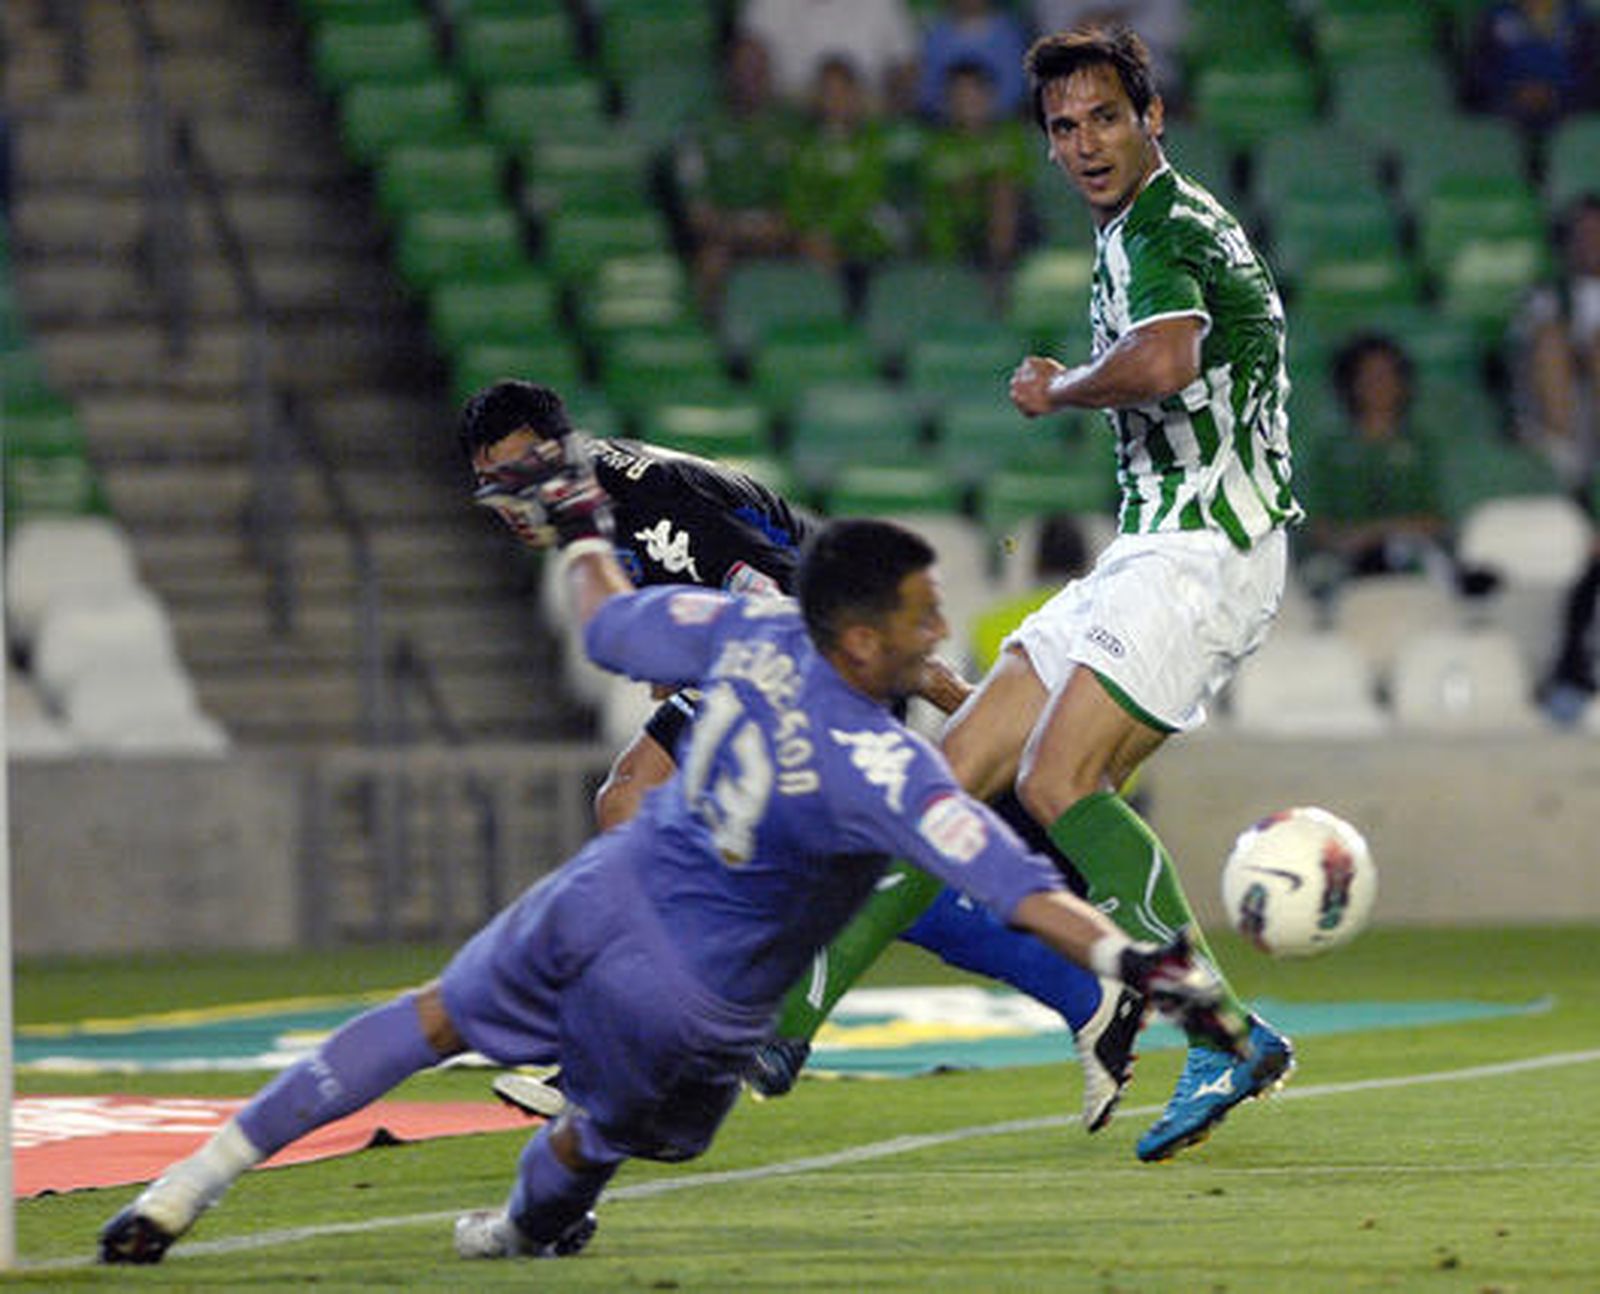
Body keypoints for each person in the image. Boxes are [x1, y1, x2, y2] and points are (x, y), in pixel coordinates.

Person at [98, 416, 1245, 1265]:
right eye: (919, 618)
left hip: (598, 904)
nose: (936, 631)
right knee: (602, 1130)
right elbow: (1016, 879)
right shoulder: (888, 769)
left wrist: (577, 527)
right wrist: (1136, 959)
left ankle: (190, 1182)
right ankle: (538, 1205)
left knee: (432, 1016)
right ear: (860, 637)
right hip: (700, 1002)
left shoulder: (739, 631)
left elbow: (605, 622)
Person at [754, 25, 1302, 1165]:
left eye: (1105, 117)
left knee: (1056, 781)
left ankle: (1223, 1035)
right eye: (1064, 126)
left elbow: (1167, 360)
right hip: (1157, 544)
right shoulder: (1144, 229)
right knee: (946, 776)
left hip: (1206, 546)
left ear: (1152, 118)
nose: (1085, 143)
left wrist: (1063, 388)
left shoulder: (1159, 227)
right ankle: (789, 1019)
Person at [462, 380, 1142, 1134]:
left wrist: (957, 701)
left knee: (648, 806)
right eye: (493, 482)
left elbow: (787, 597)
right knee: (851, 875)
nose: (510, 499)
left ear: (557, 451)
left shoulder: (653, 505)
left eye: (518, 472)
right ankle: (1092, 999)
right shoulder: (592, 497)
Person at [1300, 332, 1451, 588]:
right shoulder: (1330, 451)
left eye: (1387, 375)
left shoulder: (1423, 447)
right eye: (1368, 376)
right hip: (1343, 559)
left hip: (1411, 554)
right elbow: (1316, 524)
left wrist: (1382, 532)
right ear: (1351, 384)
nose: (1379, 385)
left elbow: (1438, 520)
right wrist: (1350, 541)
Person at [674, 32, 803, 314]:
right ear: (728, 73)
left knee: (819, 251)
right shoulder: (700, 127)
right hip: (725, 235)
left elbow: (804, 194)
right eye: (744, 68)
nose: (752, 77)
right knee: (710, 263)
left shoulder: (792, 126)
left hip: (780, 232)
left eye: (759, 68)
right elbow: (697, 211)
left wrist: (781, 224)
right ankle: (709, 334)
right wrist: (740, 232)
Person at [1508, 192, 1600, 497]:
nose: (1591, 241)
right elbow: (1526, 352)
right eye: (1582, 233)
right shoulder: (1547, 295)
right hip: (1566, 409)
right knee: (1551, 339)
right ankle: (1563, 462)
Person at [916, 59, 1032, 275]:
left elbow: (1015, 181)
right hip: (958, 228)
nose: (967, 103)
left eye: (973, 94)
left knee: (1002, 193)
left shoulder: (1010, 136)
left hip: (1012, 230)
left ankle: (1000, 270)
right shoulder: (937, 147)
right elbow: (938, 195)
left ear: (990, 97)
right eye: (959, 96)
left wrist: (976, 182)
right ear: (948, 102)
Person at [739, 0, 920, 114]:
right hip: (788, 116)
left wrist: (886, 107)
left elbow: (906, 67)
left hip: (867, 117)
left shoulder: (885, 5)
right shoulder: (766, 5)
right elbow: (747, 66)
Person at [1463, 0, 1599, 131]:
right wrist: (1514, 93)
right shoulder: (1494, 18)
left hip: (1567, 114)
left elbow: (1591, 80)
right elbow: (1476, 79)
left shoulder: (1581, 20)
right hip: (1505, 113)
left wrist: (1554, 95)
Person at [916, 0, 1030, 121]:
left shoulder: (1010, 33)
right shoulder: (936, 34)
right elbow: (928, 88)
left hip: (1008, 121)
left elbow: (1019, 86)